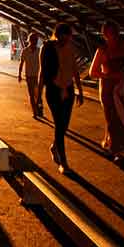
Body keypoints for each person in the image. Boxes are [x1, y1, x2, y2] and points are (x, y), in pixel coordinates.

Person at [89, 22, 124, 160]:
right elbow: (92, 72)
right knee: (112, 118)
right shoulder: (102, 50)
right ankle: (115, 149)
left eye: (115, 31)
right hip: (108, 89)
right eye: (110, 32)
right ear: (105, 34)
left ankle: (115, 144)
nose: (113, 34)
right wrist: (110, 76)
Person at [37, 23, 83, 174]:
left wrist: (80, 90)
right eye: (64, 35)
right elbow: (42, 71)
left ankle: (54, 146)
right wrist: (38, 96)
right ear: (57, 35)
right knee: (59, 124)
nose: (67, 39)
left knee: (64, 125)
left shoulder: (70, 48)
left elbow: (75, 69)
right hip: (53, 89)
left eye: (68, 36)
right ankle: (64, 162)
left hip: (69, 89)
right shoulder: (47, 48)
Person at [18, 32, 42, 118]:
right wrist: (19, 74)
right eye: (33, 39)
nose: (34, 41)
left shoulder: (39, 51)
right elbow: (21, 63)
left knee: (38, 95)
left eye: (35, 40)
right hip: (29, 76)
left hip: (38, 76)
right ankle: (35, 112)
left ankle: (39, 108)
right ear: (29, 40)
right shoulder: (25, 51)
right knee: (32, 95)